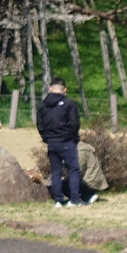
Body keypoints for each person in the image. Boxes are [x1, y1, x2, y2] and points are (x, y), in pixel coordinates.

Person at [36, 78, 83, 206]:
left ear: (50, 89)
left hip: (51, 143)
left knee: (55, 171)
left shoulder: (42, 105)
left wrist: (47, 138)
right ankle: (74, 199)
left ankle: (58, 200)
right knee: (73, 170)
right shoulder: (70, 104)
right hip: (66, 142)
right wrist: (72, 138)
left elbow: (40, 125)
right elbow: (74, 124)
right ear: (64, 90)